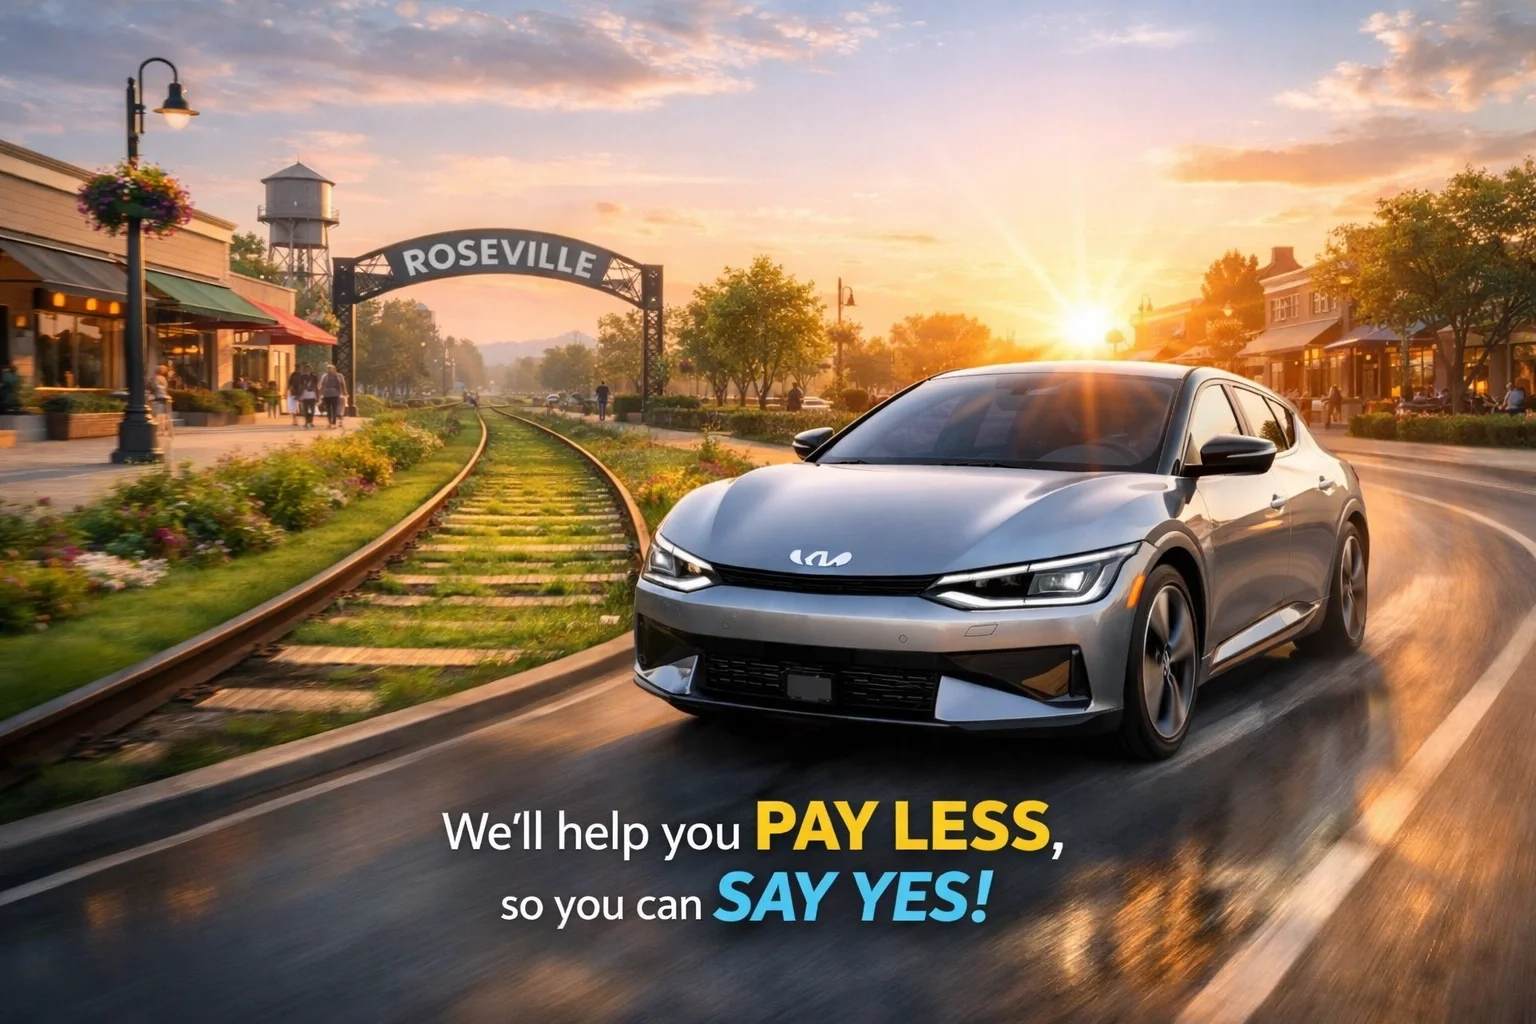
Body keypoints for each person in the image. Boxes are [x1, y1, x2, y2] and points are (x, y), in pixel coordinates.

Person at [319, 363, 347, 428]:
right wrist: (321, 393)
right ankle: (330, 422)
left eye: (331, 369)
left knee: (334, 408)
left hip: (335, 394)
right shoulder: (325, 376)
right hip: (327, 394)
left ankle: (333, 422)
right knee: (328, 409)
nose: (330, 370)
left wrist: (344, 392)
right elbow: (322, 385)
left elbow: (342, 384)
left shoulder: (338, 376)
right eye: (329, 369)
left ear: (334, 369)